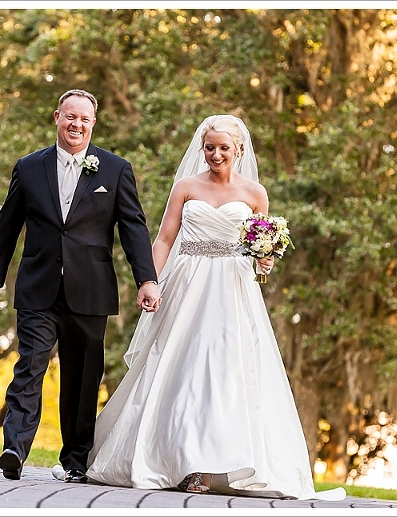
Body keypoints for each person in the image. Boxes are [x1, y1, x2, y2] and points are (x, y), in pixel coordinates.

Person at [85, 115, 346, 501]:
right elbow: (164, 239)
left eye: (224, 147)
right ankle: (172, 458)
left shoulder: (255, 193)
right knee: (180, 369)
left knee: (224, 374)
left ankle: (205, 468)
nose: (216, 154)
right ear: (201, 148)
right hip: (186, 285)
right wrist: (150, 282)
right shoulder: (186, 187)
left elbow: (261, 249)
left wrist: (265, 261)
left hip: (232, 290)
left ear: (238, 150)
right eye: (210, 147)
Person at [0, 89, 162, 484]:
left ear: (93, 124)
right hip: (37, 286)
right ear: (57, 117)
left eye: (85, 119)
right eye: (70, 117)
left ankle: (76, 460)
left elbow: (133, 227)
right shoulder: (28, 167)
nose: (76, 124)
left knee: (82, 379)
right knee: (30, 365)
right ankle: (15, 448)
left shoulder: (114, 170)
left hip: (91, 290)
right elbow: (7, 228)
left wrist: (147, 278)